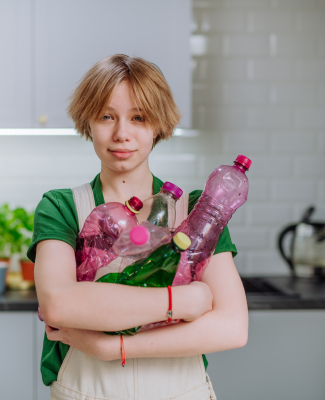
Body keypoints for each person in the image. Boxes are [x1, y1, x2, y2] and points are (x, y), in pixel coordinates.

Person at [27, 54, 248, 400]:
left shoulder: (198, 211)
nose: (121, 134)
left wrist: (112, 347)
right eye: (106, 116)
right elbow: (58, 304)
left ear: (158, 125)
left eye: (138, 118)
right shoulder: (61, 207)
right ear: (88, 120)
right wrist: (182, 300)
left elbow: (232, 328)